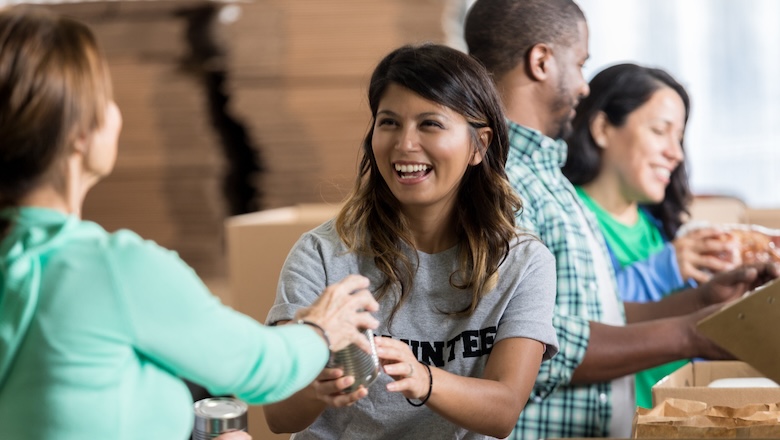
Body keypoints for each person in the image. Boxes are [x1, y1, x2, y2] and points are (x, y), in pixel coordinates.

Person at [0, 6, 380, 440]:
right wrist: (319, 328)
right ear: (79, 134)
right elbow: (260, 369)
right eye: (106, 97)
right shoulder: (112, 269)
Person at [464, 0, 779, 438]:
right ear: (541, 62)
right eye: (580, 64)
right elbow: (534, 346)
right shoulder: (499, 180)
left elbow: (594, 316)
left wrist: (699, 302)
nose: (583, 87)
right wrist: (691, 334)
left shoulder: (547, 179)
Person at [262, 43, 559, 439]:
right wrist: (318, 390)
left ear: (479, 145)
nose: (404, 144)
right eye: (388, 123)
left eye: (429, 124)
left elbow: (504, 410)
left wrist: (423, 378)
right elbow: (279, 418)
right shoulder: (323, 254)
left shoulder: (522, 262)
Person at [561, 63, 739, 409]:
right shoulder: (568, 218)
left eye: (680, 137)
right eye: (660, 131)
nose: (676, 153)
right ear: (602, 128)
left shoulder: (658, 230)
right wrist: (664, 269)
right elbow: (578, 322)